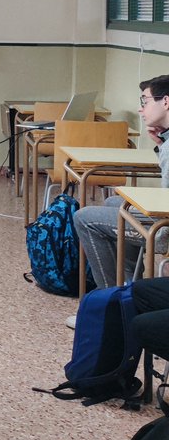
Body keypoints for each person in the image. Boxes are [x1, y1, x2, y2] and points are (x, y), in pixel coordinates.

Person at [73, 76, 169, 293]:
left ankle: (110, 299)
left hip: (164, 229)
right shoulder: (167, 142)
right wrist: (161, 144)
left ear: (166, 102)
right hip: (164, 217)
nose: (140, 109)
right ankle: (129, 287)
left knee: (84, 218)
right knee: (114, 202)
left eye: (145, 101)